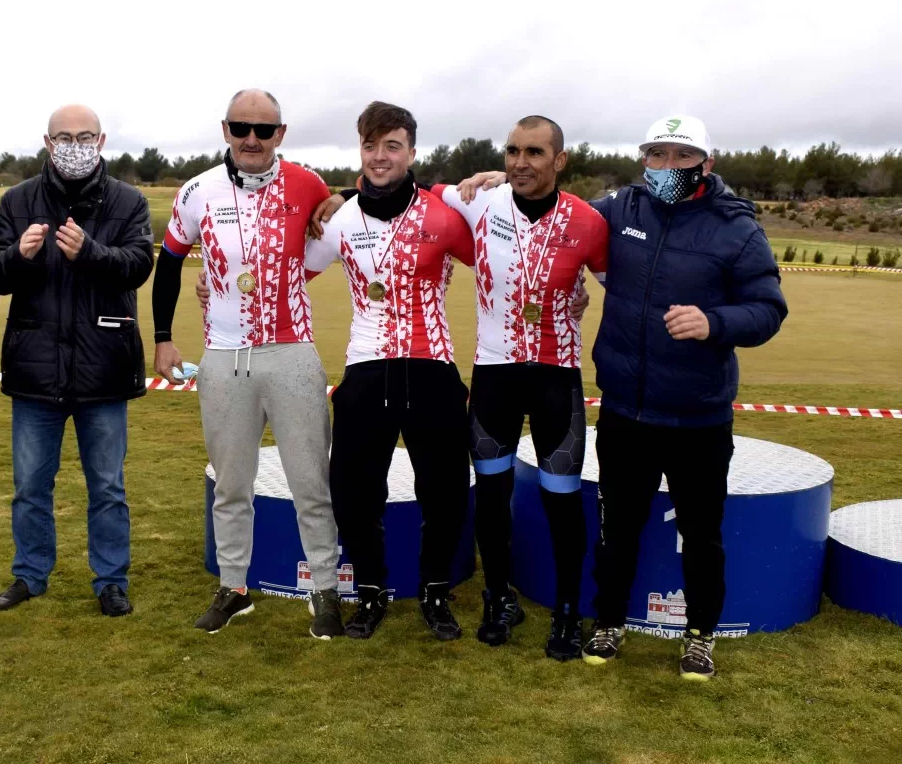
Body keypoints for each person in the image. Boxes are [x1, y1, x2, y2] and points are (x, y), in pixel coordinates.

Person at [579, 116, 787, 679]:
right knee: (617, 528)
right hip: (625, 409)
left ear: (706, 165)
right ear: (643, 159)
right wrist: (477, 183)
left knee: (701, 534)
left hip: (699, 415)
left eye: (680, 157)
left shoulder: (736, 228)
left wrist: (715, 321)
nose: (667, 168)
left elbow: (768, 310)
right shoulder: (620, 208)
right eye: (656, 155)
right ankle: (608, 623)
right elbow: (557, 218)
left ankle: (700, 636)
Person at [152, 89, 343, 638]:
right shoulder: (196, 191)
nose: (251, 140)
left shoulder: (308, 185)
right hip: (224, 356)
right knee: (232, 483)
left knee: (312, 482)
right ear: (225, 130)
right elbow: (168, 266)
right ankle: (234, 588)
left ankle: (325, 591)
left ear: (281, 133)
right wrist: (164, 339)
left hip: (292, 353)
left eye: (264, 130)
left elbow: (346, 224)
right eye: (241, 128)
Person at [426, 116, 608, 660]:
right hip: (495, 376)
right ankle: (496, 599)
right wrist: (329, 200)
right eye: (512, 151)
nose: (520, 162)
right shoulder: (480, 203)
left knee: (561, 501)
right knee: (493, 499)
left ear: (559, 160)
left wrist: (590, 301)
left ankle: (569, 611)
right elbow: (408, 193)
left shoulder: (589, 221)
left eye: (534, 152)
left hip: (557, 377)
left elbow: (621, 286)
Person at [304, 102, 475, 641]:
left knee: (444, 490)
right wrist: (212, 289)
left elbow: (499, 260)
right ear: (361, 150)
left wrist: (487, 182)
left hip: (432, 367)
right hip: (367, 368)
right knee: (355, 491)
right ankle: (372, 593)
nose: (380, 157)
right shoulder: (340, 219)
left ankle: (434, 592)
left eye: (392, 146)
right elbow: (291, 273)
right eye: (371, 146)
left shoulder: (445, 214)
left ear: (412, 152)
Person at [0, 104, 153, 617]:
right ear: (47, 141)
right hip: (37, 367)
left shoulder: (129, 200)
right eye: (63, 136)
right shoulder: (17, 200)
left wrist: (92, 252)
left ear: (101, 141)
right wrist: (18, 255)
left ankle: (111, 581)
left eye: (84, 136)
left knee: (107, 487)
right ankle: (30, 576)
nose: (74, 144)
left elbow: (139, 265)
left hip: (103, 367)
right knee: (30, 486)